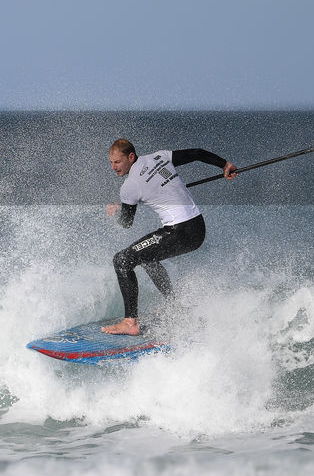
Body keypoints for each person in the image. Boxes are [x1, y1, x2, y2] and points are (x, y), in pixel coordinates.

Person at [102, 138, 238, 335]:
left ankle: (130, 322)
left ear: (131, 157)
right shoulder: (161, 157)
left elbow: (126, 222)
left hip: (178, 231)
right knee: (147, 257)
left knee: (122, 260)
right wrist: (225, 165)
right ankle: (175, 306)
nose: (114, 167)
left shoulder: (129, 187)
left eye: (117, 162)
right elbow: (197, 152)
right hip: (197, 229)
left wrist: (116, 211)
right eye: (111, 163)